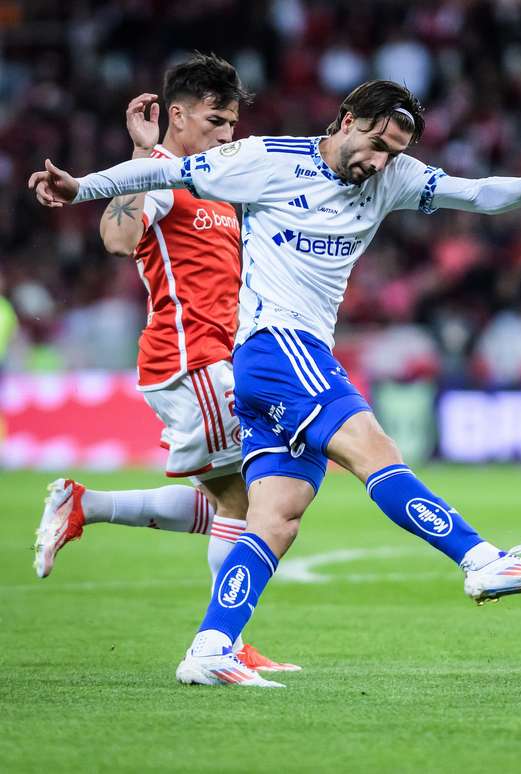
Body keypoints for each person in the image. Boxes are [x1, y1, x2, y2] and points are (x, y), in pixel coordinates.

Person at [30, 79, 521, 688]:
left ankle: (210, 648)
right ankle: (481, 560)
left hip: (291, 357)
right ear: (347, 120)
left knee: (275, 517)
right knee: (374, 451)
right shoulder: (265, 159)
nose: (380, 161)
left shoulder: (392, 177)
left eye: (393, 151)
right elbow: (166, 173)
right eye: (375, 143)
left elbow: (472, 193)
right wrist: (81, 187)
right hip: (274, 346)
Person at [31, 53, 299, 678]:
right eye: (216, 120)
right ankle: (221, 644)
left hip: (222, 358)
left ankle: (84, 505)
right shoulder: (160, 178)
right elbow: (117, 239)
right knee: (252, 503)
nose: (227, 134)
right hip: (191, 361)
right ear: (177, 115)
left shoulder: (217, 183)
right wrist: (147, 161)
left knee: (243, 501)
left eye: (232, 122)